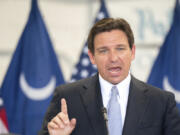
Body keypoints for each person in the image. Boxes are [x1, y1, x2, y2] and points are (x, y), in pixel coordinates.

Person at [39, 18, 180, 135]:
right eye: (103, 51)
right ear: (92, 57)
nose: (113, 58)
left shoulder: (161, 102)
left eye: (120, 48)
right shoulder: (67, 98)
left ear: (132, 52)